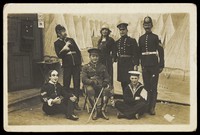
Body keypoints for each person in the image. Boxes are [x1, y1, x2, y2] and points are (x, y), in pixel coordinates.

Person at [138, 16, 165, 115]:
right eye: (145, 24)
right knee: (146, 86)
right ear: (143, 26)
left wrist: (161, 65)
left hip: (154, 66)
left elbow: (161, 52)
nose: (147, 26)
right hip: (145, 66)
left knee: (153, 87)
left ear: (152, 25)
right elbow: (139, 53)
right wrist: (138, 64)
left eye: (149, 24)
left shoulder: (155, 37)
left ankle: (152, 107)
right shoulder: (141, 38)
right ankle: (147, 105)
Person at [54, 24, 82, 110]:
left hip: (76, 65)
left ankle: (76, 102)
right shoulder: (57, 43)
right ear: (58, 33)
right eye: (62, 32)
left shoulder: (71, 40)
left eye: (64, 31)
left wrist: (80, 63)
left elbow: (78, 51)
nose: (64, 33)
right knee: (66, 84)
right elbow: (59, 55)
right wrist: (65, 48)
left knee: (77, 84)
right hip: (67, 66)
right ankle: (67, 102)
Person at [82, 48, 112, 120]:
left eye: (96, 56)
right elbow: (84, 78)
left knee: (107, 90)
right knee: (90, 90)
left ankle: (102, 110)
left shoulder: (102, 66)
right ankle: (95, 110)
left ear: (99, 57)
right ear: (90, 57)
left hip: (101, 85)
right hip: (91, 85)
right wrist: (91, 82)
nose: (95, 58)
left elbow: (107, 77)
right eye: (93, 56)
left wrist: (105, 82)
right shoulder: (85, 67)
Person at [114, 23, 139, 95]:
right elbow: (114, 53)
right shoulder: (117, 42)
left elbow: (136, 53)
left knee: (130, 81)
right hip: (121, 64)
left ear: (127, 30)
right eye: (120, 30)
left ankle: (131, 97)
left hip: (129, 63)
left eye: (123, 30)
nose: (122, 31)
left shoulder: (132, 40)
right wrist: (114, 58)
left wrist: (136, 64)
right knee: (123, 82)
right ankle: (125, 97)